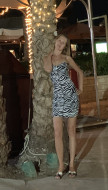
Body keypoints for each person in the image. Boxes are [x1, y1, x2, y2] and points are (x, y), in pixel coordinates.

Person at [43, 33, 84, 179]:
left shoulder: (67, 59)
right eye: (59, 41)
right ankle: (61, 165)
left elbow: (80, 72)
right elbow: (48, 69)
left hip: (71, 96)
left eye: (64, 43)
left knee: (71, 131)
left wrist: (80, 89)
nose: (61, 44)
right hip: (58, 99)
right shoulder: (48, 58)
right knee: (57, 133)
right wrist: (50, 54)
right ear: (55, 41)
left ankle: (71, 165)